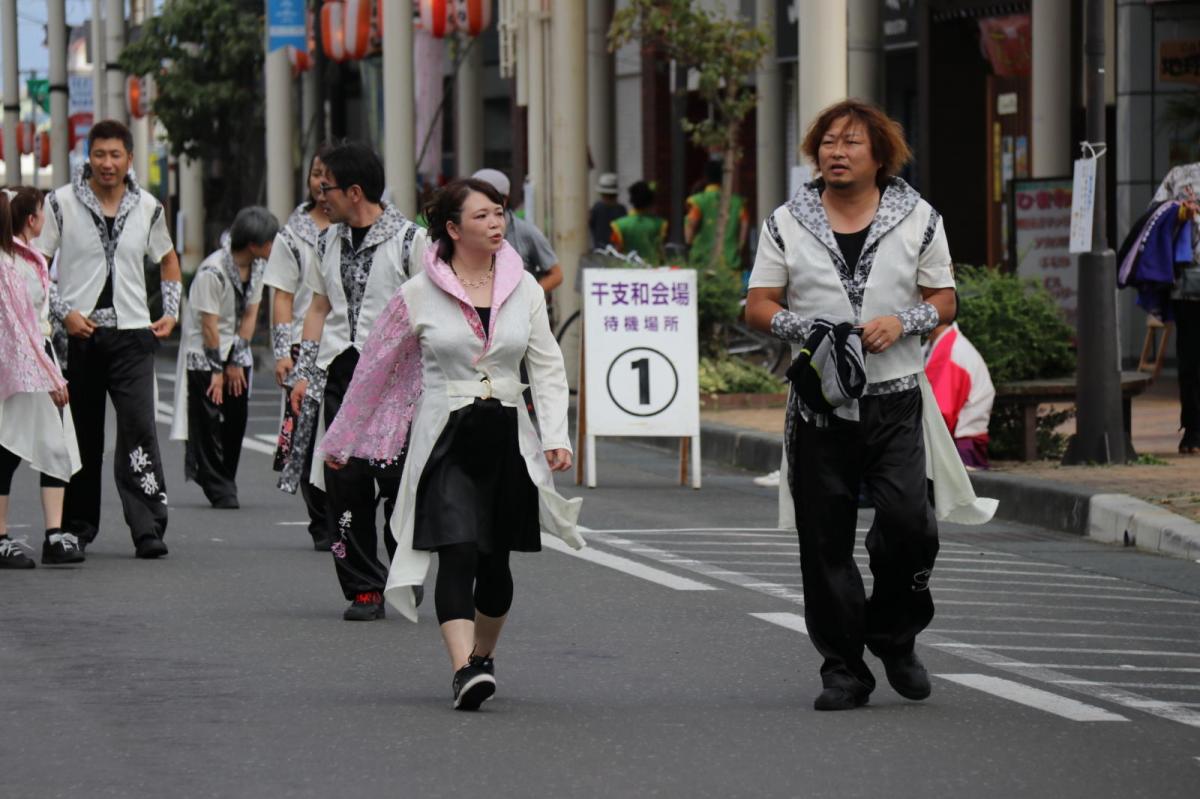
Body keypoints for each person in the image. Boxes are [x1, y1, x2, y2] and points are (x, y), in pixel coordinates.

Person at [747, 99, 993, 711]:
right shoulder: (786, 220)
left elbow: (944, 299)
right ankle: (844, 669)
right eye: (828, 142)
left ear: (880, 154)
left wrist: (902, 321)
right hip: (820, 407)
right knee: (824, 542)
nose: (836, 152)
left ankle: (894, 635)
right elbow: (756, 304)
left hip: (898, 401)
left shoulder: (919, 217)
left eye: (852, 142)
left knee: (911, 526)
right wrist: (807, 329)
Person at [317, 177, 583, 710]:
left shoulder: (524, 287)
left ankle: (483, 655)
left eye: (499, 213)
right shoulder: (417, 292)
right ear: (454, 228)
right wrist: (344, 437)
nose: (496, 223)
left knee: (496, 562)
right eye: (482, 215)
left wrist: (556, 435)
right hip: (445, 437)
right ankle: (463, 670)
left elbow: (547, 365)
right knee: (457, 550)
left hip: (506, 434)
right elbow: (374, 368)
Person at [288, 141, 428, 621]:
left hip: (398, 378)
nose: (319, 196)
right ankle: (364, 587)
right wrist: (305, 373)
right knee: (344, 482)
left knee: (398, 482)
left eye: (326, 187)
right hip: (342, 372)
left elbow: (429, 310)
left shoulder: (412, 241)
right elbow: (319, 307)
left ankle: (404, 569)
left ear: (354, 191)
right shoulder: (325, 240)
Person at [34, 119, 180, 560]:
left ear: (130, 158)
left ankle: (148, 527)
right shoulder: (59, 203)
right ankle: (77, 527)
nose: (108, 163)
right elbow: (37, 265)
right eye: (99, 154)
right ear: (88, 156)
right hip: (78, 336)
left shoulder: (149, 207)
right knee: (82, 435)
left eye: (116, 155)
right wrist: (63, 313)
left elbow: (169, 260)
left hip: (133, 334)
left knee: (138, 429)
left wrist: (170, 312)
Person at [170, 207, 276, 508]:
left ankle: (224, 476)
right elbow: (208, 325)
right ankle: (218, 485)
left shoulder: (257, 269)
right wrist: (217, 369)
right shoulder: (211, 271)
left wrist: (235, 362)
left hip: (235, 349)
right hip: (204, 353)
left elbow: (251, 314)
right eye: (269, 241)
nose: (273, 247)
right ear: (253, 244)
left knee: (237, 415)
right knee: (206, 419)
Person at [0, 187, 81, 568]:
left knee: (54, 446)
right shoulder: (9, 262)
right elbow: (23, 325)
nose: (44, 218)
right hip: (21, 364)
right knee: (7, 448)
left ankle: (54, 533)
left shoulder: (22, 258)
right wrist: (51, 375)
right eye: (41, 211)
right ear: (31, 219)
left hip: (33, 359)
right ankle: (2, 537)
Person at [265, 146, 335, 549]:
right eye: (316, 174)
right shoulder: (292, 235)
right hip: (302, 348)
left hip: (344, 346)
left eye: (330, 175)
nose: (322, 183)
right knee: (306, 435)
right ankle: (321, 519)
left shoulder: (364, 230)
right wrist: (282, 353)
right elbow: (283, 297)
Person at [1150, 163, 1200, 454]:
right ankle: (1193, 429)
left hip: (1186, 285)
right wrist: (1179, 211)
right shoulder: (1179, 176)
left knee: (1191, 361)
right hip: (1187, 285)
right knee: (1190, 361)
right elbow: (1154, 216)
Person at [471, 168, 562, 294]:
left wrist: (529, 298)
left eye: (486, 198)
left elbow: (556, 274)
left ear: (504, 200)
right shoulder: (464, 231)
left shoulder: (526, 232)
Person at [924, 321, 995, 470]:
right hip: (950, 442)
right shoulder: (935, 346)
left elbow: (942, 414)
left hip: (960, 449)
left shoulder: (953, 351)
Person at [685, 160, 750, 273]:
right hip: (731, 264)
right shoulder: (738, 203)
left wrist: (690, 243)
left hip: (703, 262)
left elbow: (689, 233)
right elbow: (743, 233)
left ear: (705, 177)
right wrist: (736, 250)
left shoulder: (698, 201)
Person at [610, 180, 668, 264]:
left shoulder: (619, 225)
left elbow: (617, 252)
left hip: (627, 269)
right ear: (651, 201)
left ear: (632, 200)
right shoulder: (660, 224)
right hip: (653, 270)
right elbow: (661, 251)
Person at [588, 172, 626, 250]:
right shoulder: (621, 209)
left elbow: (591, 224)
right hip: (617, 251)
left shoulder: (597, 207)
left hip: (600, 250)